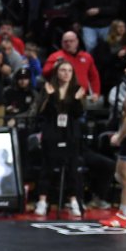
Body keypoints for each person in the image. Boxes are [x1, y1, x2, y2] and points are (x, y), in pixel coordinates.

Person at [32, 60, 86, 218]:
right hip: (52, 132)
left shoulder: (77, 89)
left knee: (72, 168)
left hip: (70, 133)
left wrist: (76, 99)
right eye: (63, 70)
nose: (66, 73)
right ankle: (42, 201)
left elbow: (78, 114)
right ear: (57, 72)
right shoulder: (49, 88)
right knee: (47, 167)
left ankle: (73, 201)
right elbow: (43, 113)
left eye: (69, 70)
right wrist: (50, 97)